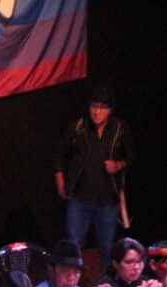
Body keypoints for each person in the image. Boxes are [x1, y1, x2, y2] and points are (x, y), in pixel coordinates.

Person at [53, 83, 135, 262]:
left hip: (107, 199)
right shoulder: (78, 127)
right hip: (80, 197)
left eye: (102, 107)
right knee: (73, 245)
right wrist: (60, 181)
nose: (97, 112)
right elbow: (60, 154)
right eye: (94, 106)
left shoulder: (119, 130)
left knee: (106, 247)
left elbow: (131, 156)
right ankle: (72, 278)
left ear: (110, 110)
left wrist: (118, 165)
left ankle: (107, 278)